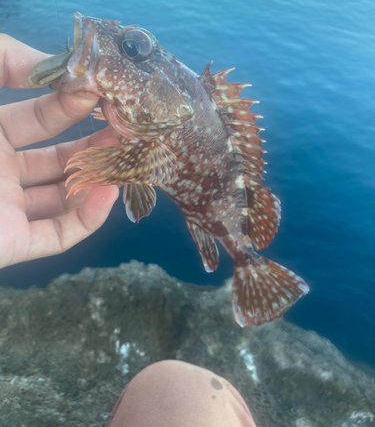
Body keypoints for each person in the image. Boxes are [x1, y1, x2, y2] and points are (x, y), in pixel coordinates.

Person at [0, 34, 258, 427]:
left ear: (168, 95)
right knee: (179, 389)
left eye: (133, 49)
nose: (116, 47)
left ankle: (251, 269)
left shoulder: (170, 125)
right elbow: (138, 162)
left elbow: (138, 163)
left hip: (209, 197)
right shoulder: (153, 119)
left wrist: (114, 165)